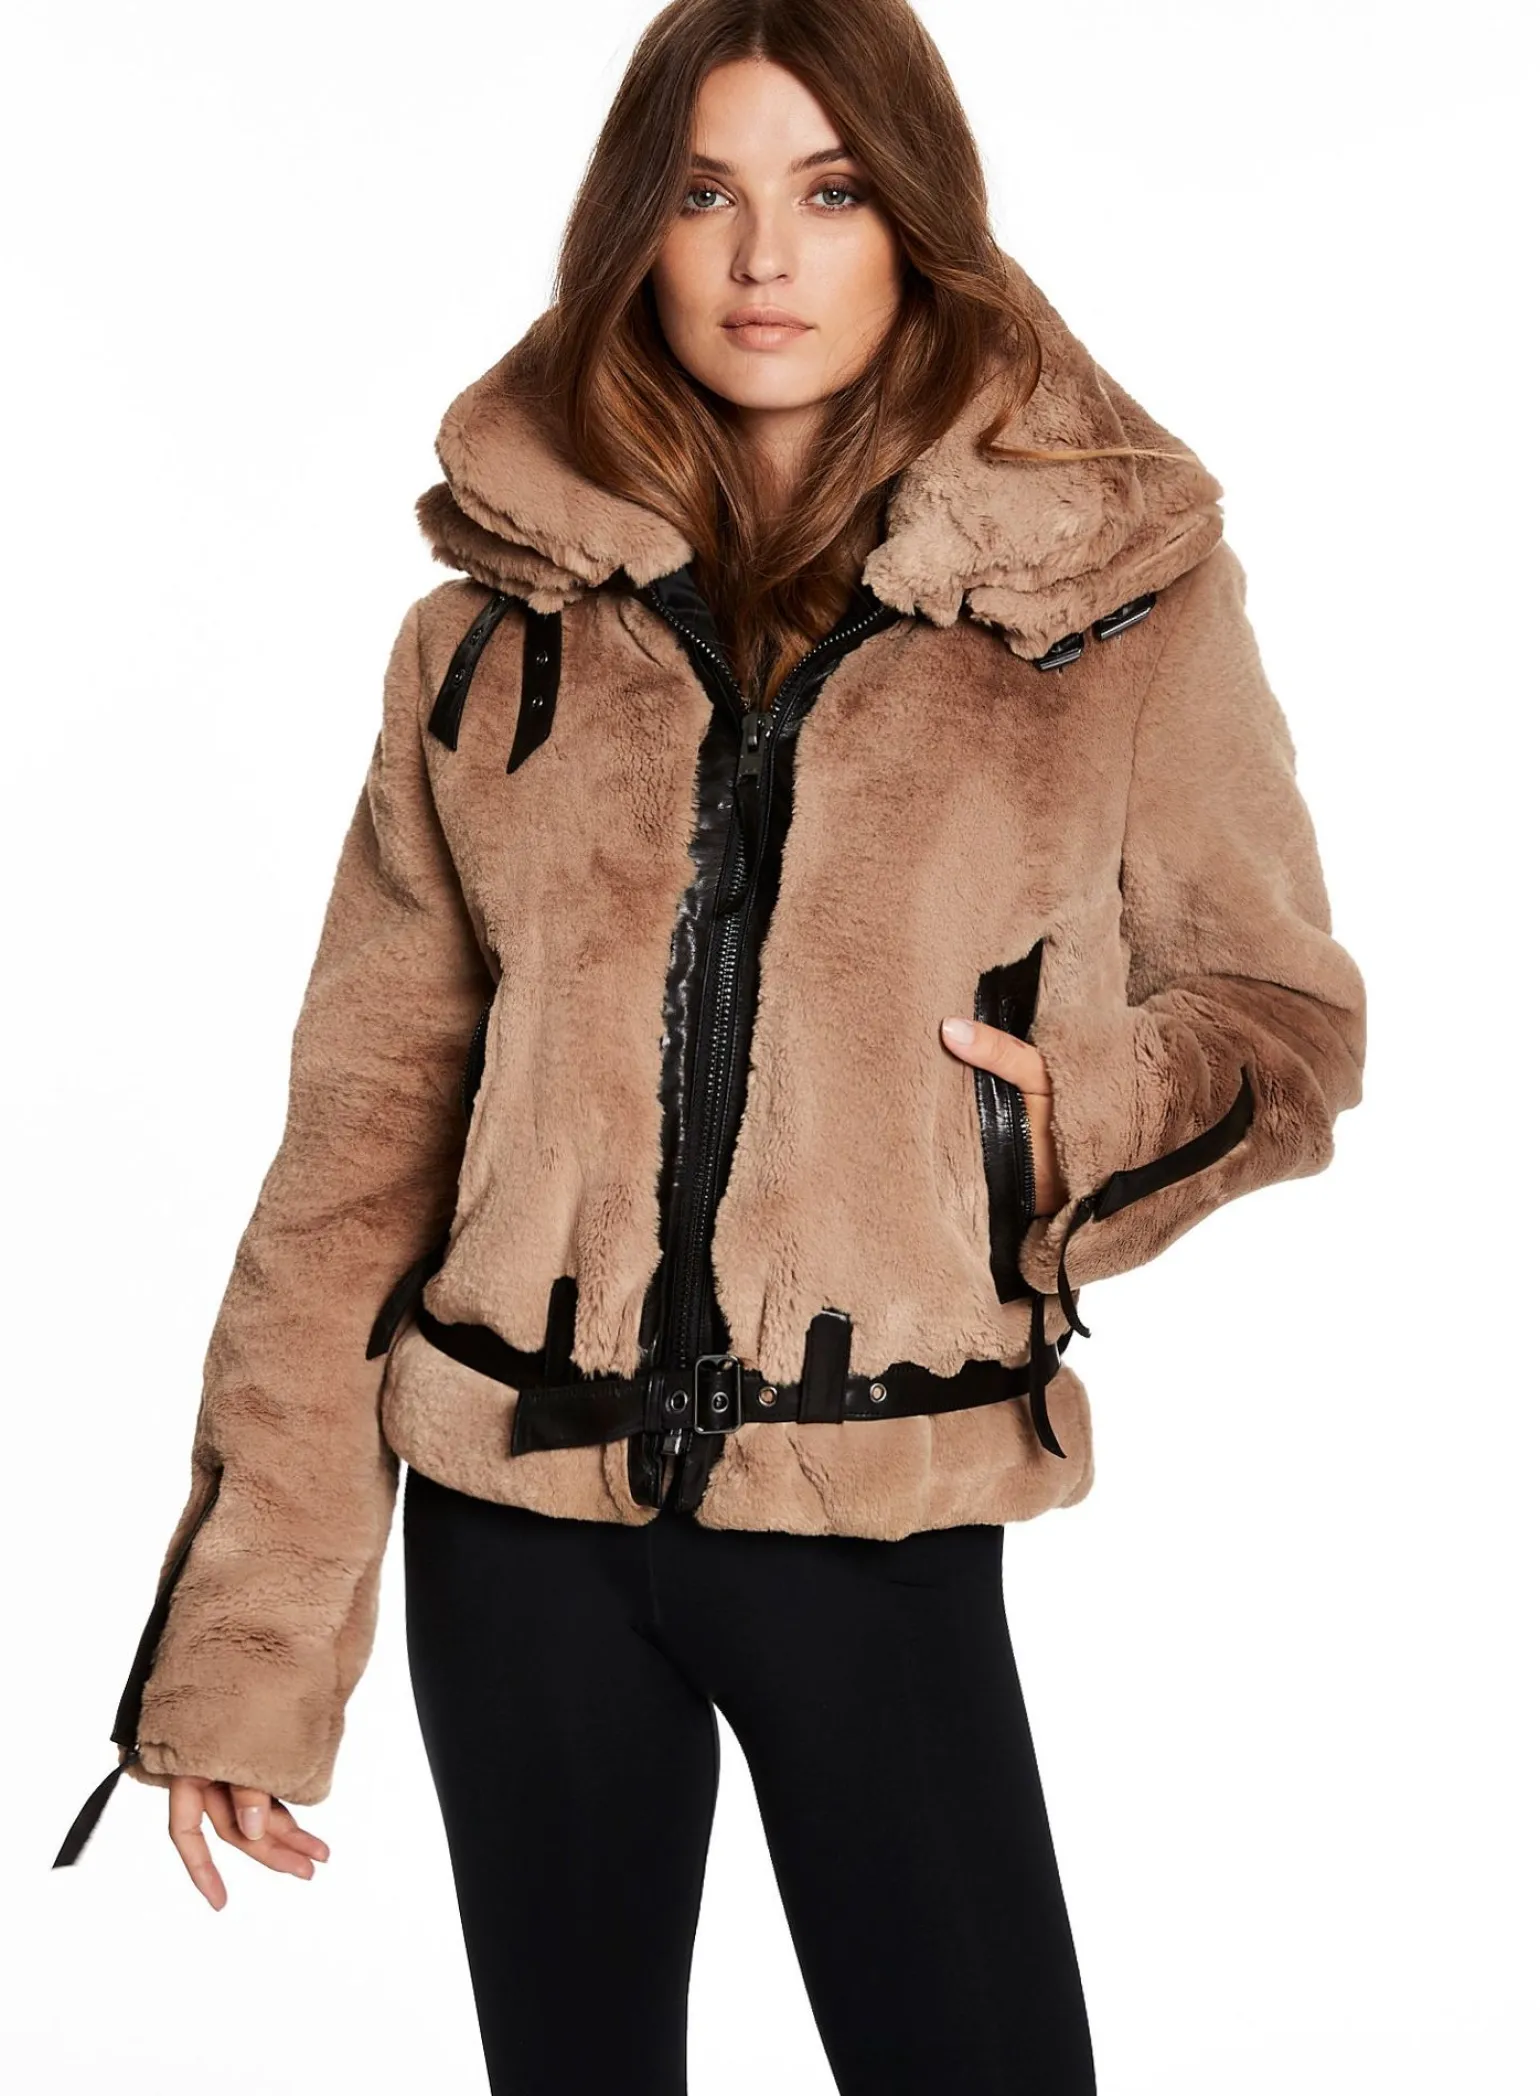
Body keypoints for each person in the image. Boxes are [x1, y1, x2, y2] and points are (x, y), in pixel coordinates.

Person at [52, 3, 1367, 2091]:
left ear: (913, 222)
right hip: (515, 1527)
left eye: (829, 192)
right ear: (634, 232)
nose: (764, 257)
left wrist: (1069, 1122)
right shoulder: (487, 633)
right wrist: (247, 1643)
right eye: (703, 192)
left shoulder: (1115, 611)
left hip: (876, 1514)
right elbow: (357, 1153)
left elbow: (1284, 1020)